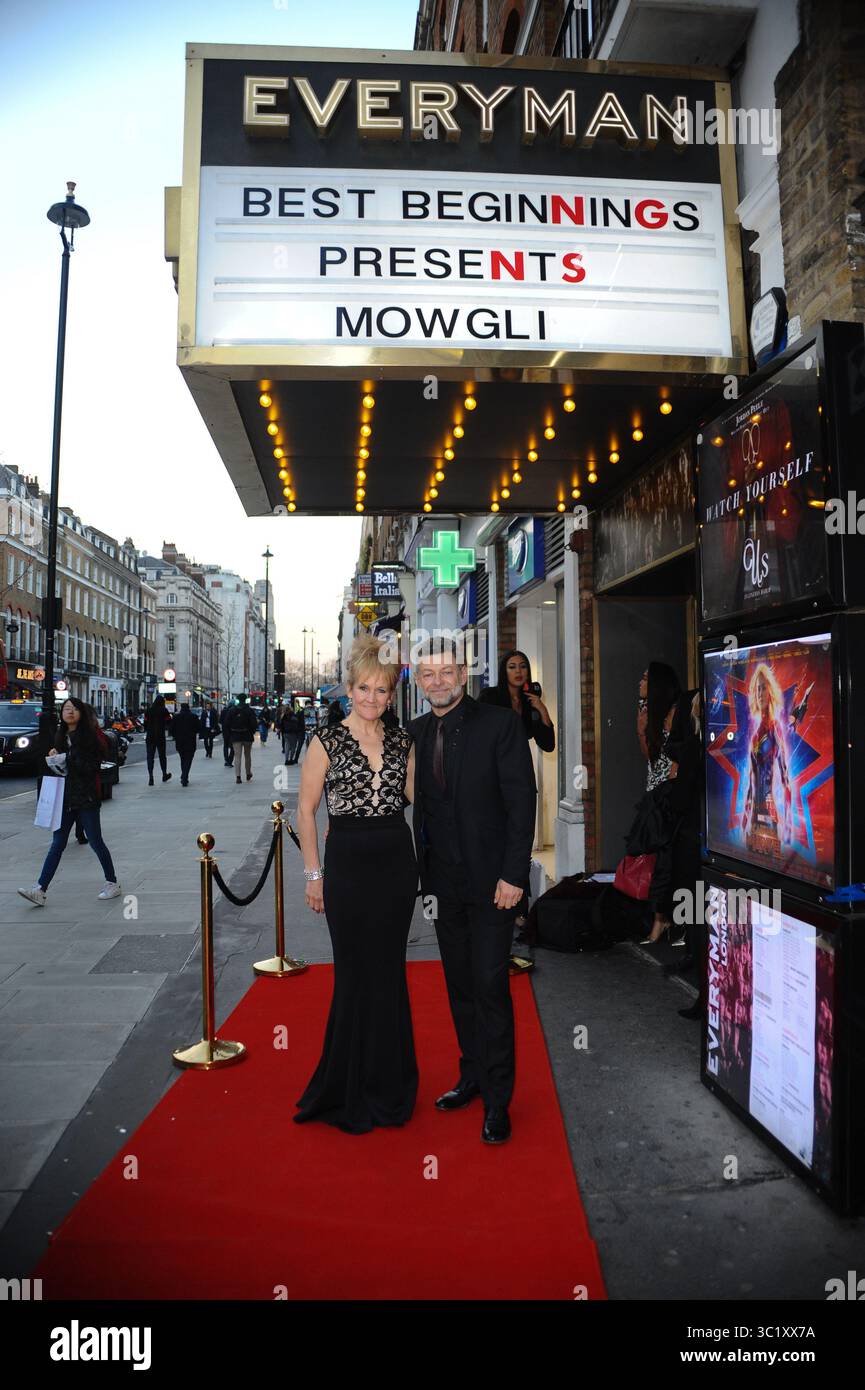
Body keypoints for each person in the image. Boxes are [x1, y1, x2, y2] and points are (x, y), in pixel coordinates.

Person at [410, 641, 536, 1145]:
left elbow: (522, 802)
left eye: (447, 671)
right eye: (428, 674)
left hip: (493, 887)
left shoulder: (499, 725)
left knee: (490, 986)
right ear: (418, 681)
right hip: (441, 886)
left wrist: (514, 876)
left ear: (463, 673)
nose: (438, 681)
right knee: (459, 985)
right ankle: (473, 1075)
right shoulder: (415, 733)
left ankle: (499, 1100)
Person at [294, 634, 418, 1133]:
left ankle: (389, 1084)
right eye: (364, 688)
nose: (372, 698)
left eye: (381, 690)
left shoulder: (404, 741)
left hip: (395, 865)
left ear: (392, 694)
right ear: (349, 689)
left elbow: (420, 800)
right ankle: (348, 1085)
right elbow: (305, 810)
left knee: (388, 973)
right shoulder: (325, 741)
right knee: (352, 973)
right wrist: (313, 874)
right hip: (345, 865)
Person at [479, 650, 555, 974]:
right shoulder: (490, 698)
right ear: (502, 670)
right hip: (492, 782)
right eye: (512, 666)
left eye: (523, 666)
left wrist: (541, 708)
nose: (519, 671)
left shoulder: (529, 702)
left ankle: (518, 913)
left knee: (520, 845)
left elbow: (548, 743)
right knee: (497, 846)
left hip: (521, 780)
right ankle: (495, 910)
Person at [18, 698, 121, 907]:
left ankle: (112, 883)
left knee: (95, 841)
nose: (70, 712)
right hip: (65, 798)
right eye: (66, 709)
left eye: (74, 709)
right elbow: (63, 768)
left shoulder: (88, 737)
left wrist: (68, 758)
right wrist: (55, 758)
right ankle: (40, 889)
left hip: (86, 797)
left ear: (81, 713)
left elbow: (92, 765)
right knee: (57, 844)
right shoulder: (60, 735)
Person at [225, 694, 257, 783]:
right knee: (247, 755)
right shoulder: (249, 710)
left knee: (237, 756)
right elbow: (254, 724)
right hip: (247, 735)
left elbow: (226, 723)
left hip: (235, 735)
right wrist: (252, 731)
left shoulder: (232, 710)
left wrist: (230, 734)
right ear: (245, 700)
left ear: (238, 700)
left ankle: (238, 776)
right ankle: (248, 773)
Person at [144, 694, 172, 786]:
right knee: (162, 756)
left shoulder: (149, 711)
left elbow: (145, 723)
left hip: (150, 736)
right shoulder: (164, 710)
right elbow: (169, 722)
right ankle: (164, 774)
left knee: (150, 757)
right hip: (160, 736)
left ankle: (150, 777)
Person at [170, 702, 201, 787]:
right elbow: (199, 728)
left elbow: (171, 729)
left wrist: (176, 736)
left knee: (182, 759)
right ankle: (185, 775)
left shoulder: (176, 717)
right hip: (190, 741)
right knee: (189, 759)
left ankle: (184, 775)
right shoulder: (193, 717)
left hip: (180, 742)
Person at [219, 701, 235, 767]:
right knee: (233, 747)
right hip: (232, 731)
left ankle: (226, 760)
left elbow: (220, 721)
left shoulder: (223, 711)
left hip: (225, 731)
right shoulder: (234, 711)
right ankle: (230, 761)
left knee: (225, 746)